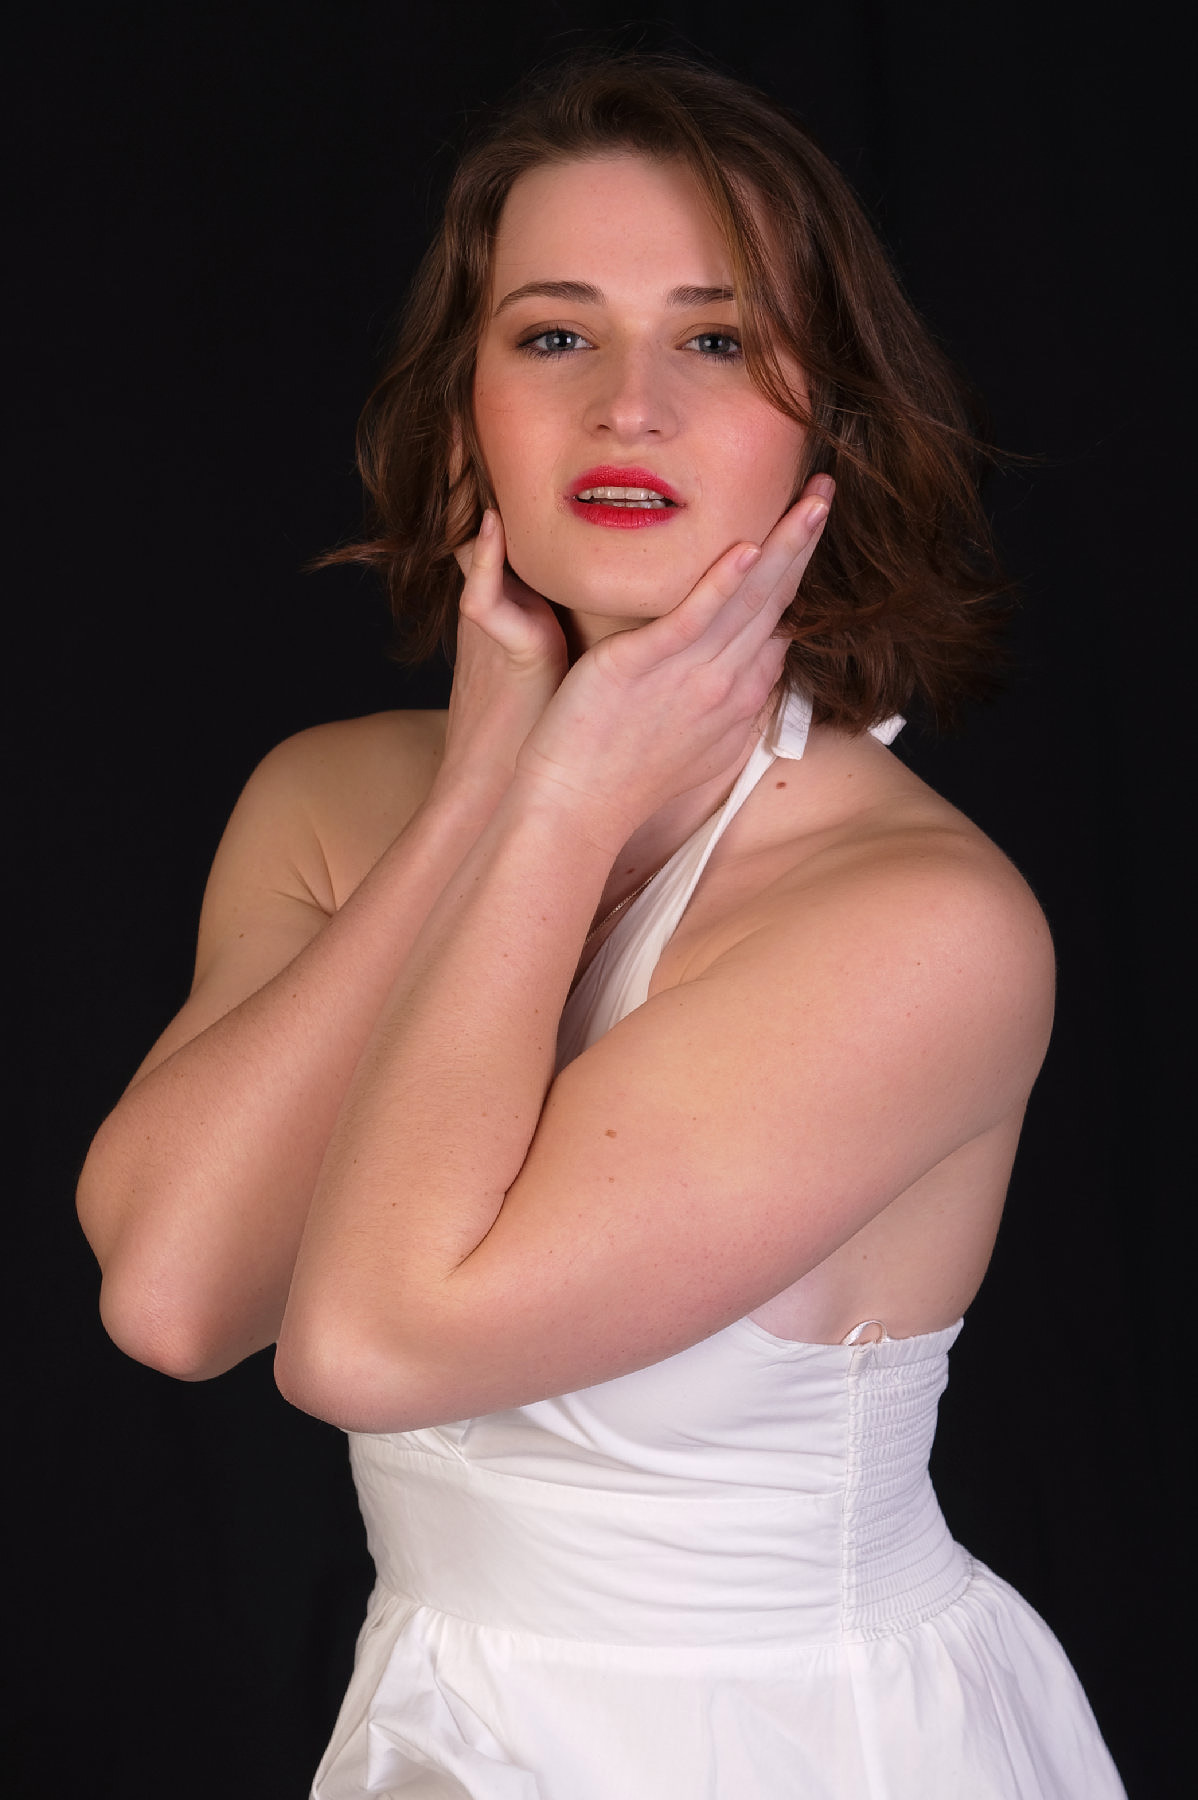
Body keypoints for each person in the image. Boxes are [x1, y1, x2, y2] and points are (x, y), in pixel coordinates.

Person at [77, 53, 1127, 1800]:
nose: (626, 405)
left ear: (829, 429)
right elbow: (178, 1297)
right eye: (553, 334)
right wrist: (487, 796)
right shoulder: (330, 798)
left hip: (787, 1748)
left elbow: (368, 1346)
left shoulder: (920, 924)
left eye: (714, 340)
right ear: (465, 410)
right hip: (438, 1727)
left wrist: (560, 802)